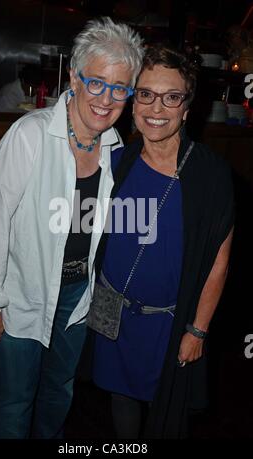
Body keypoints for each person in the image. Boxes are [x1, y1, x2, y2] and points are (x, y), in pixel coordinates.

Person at [0, 17, 144, 439]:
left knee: (59, 390)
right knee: (15, 398)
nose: (107, 98)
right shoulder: (29, 135)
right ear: (74, 77)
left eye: (120, 88)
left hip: (77, 297)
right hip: (20, 294)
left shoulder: (115, 148)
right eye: (97, 82)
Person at [91, 43, 234, 439]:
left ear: (187, 107)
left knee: (167, 415)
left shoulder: (211, 175)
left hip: (169, 325)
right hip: (114, 315)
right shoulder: (116, 163)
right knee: (121, 402)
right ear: (134, 101)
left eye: (171, 97)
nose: (156, 109)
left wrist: (198, 330)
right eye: (147, 95)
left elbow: (219, 261)